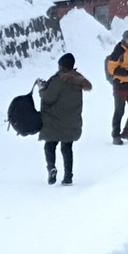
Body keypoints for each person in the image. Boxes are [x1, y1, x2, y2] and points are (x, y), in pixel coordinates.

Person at [38, 53, 91, 186]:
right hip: (72, 121)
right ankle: (68, 176)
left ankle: (51, 168)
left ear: (62, 66)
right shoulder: (79, 80)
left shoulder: (58, 80)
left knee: (50, 145)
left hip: (54, 120)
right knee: (67, 148)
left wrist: (42, 89)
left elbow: (48, 98)